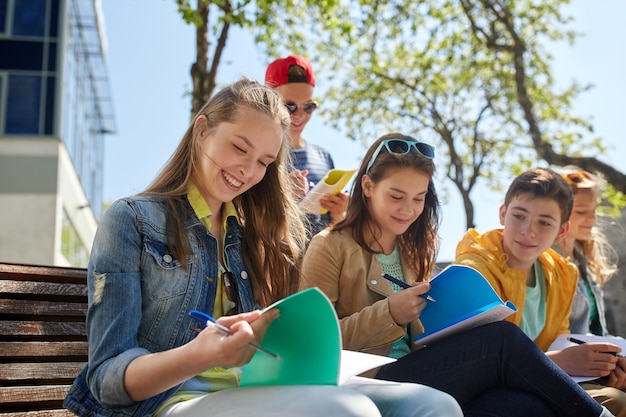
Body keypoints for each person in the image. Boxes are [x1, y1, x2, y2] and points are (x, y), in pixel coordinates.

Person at [63, 78, 462, 417]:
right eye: (240, 148)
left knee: (433, 405)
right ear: (202, 130)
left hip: (259, 388)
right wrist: (199, 356)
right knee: (345, 411)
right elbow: (105, 381)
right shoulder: (132, 220)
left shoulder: (256, 234)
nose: (249, 171)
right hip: (173, 400)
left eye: (264, 162)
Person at [300, 134, 614, 417]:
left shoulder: (412, 251)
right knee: (502, 340)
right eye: (396, 196)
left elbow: (424, 340)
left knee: (525, 407)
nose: (408, 209)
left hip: (420, 372)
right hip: (363, 379)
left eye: (418, 198)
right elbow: (311, 344)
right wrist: (389, 314)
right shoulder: (329, 246)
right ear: (367, 187)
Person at [454, 167, 625, 416]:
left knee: (617, 395)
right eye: (519, 216)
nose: (528, 231)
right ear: (503, 214)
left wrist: (602, 366)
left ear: (562, 230)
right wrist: (559, 362)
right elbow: (483, 362)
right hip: (484, 391)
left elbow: (561, 339)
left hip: (543, 380)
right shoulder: (475, 268)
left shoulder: (563, 275)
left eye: (544, 222)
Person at [553, 166, 625, 414]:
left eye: (593, 211)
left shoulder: (586, 262)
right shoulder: (546, 263)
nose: (592, 220)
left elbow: (599, 331)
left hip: (599, 367)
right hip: (570, 369)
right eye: (582, 212)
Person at [265, 54, 348, 237]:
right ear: (268, 102)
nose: (300, 115)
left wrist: (340, 214)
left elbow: (333, 231)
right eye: (290, 106)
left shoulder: (323, 157)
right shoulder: (260, 156)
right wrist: (283, 197)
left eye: (308, 106)